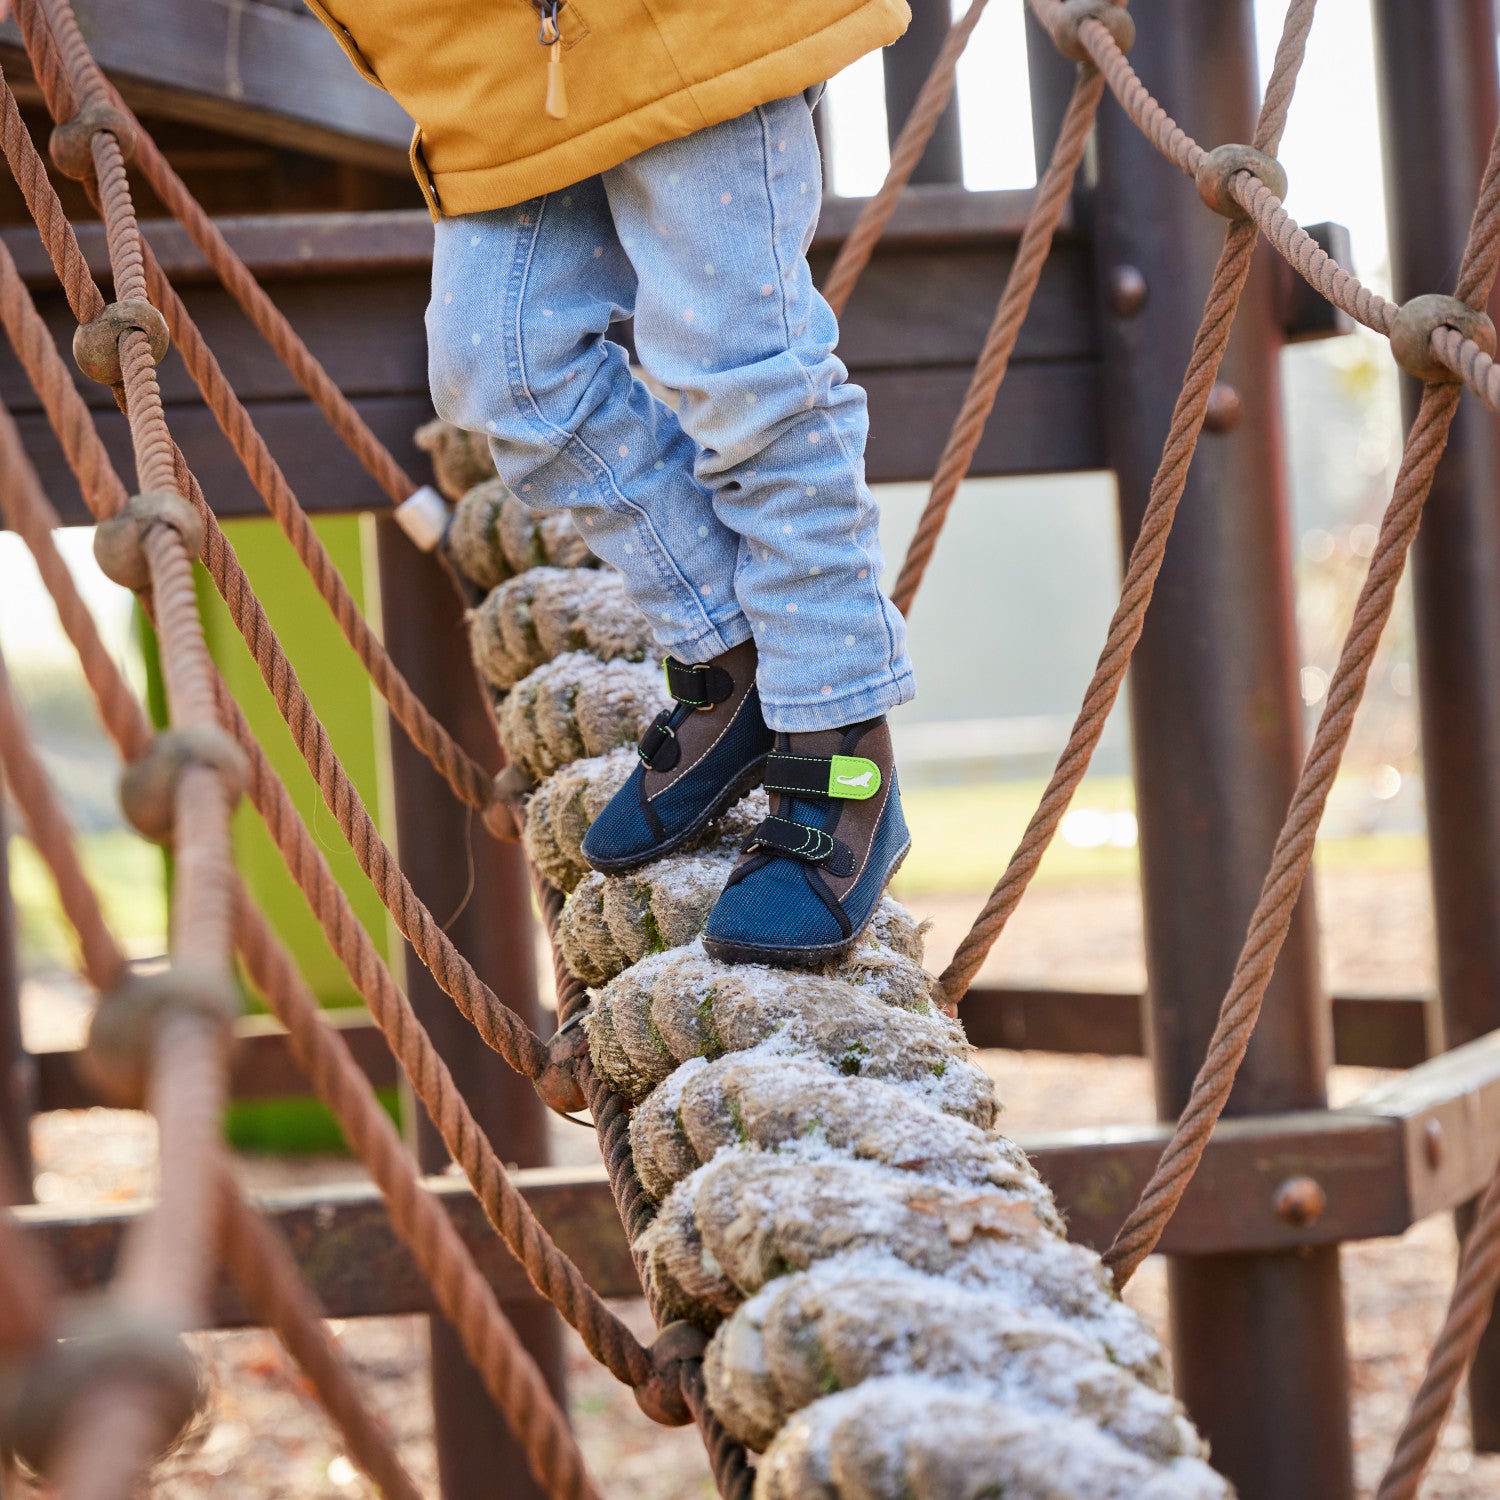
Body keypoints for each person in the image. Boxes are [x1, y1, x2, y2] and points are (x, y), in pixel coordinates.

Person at [309, 0, 918, 966]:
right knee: (500, 370)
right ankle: (738, 659)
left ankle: (836, 724)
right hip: (488, 61)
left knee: (741, 366)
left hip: (683, 26)